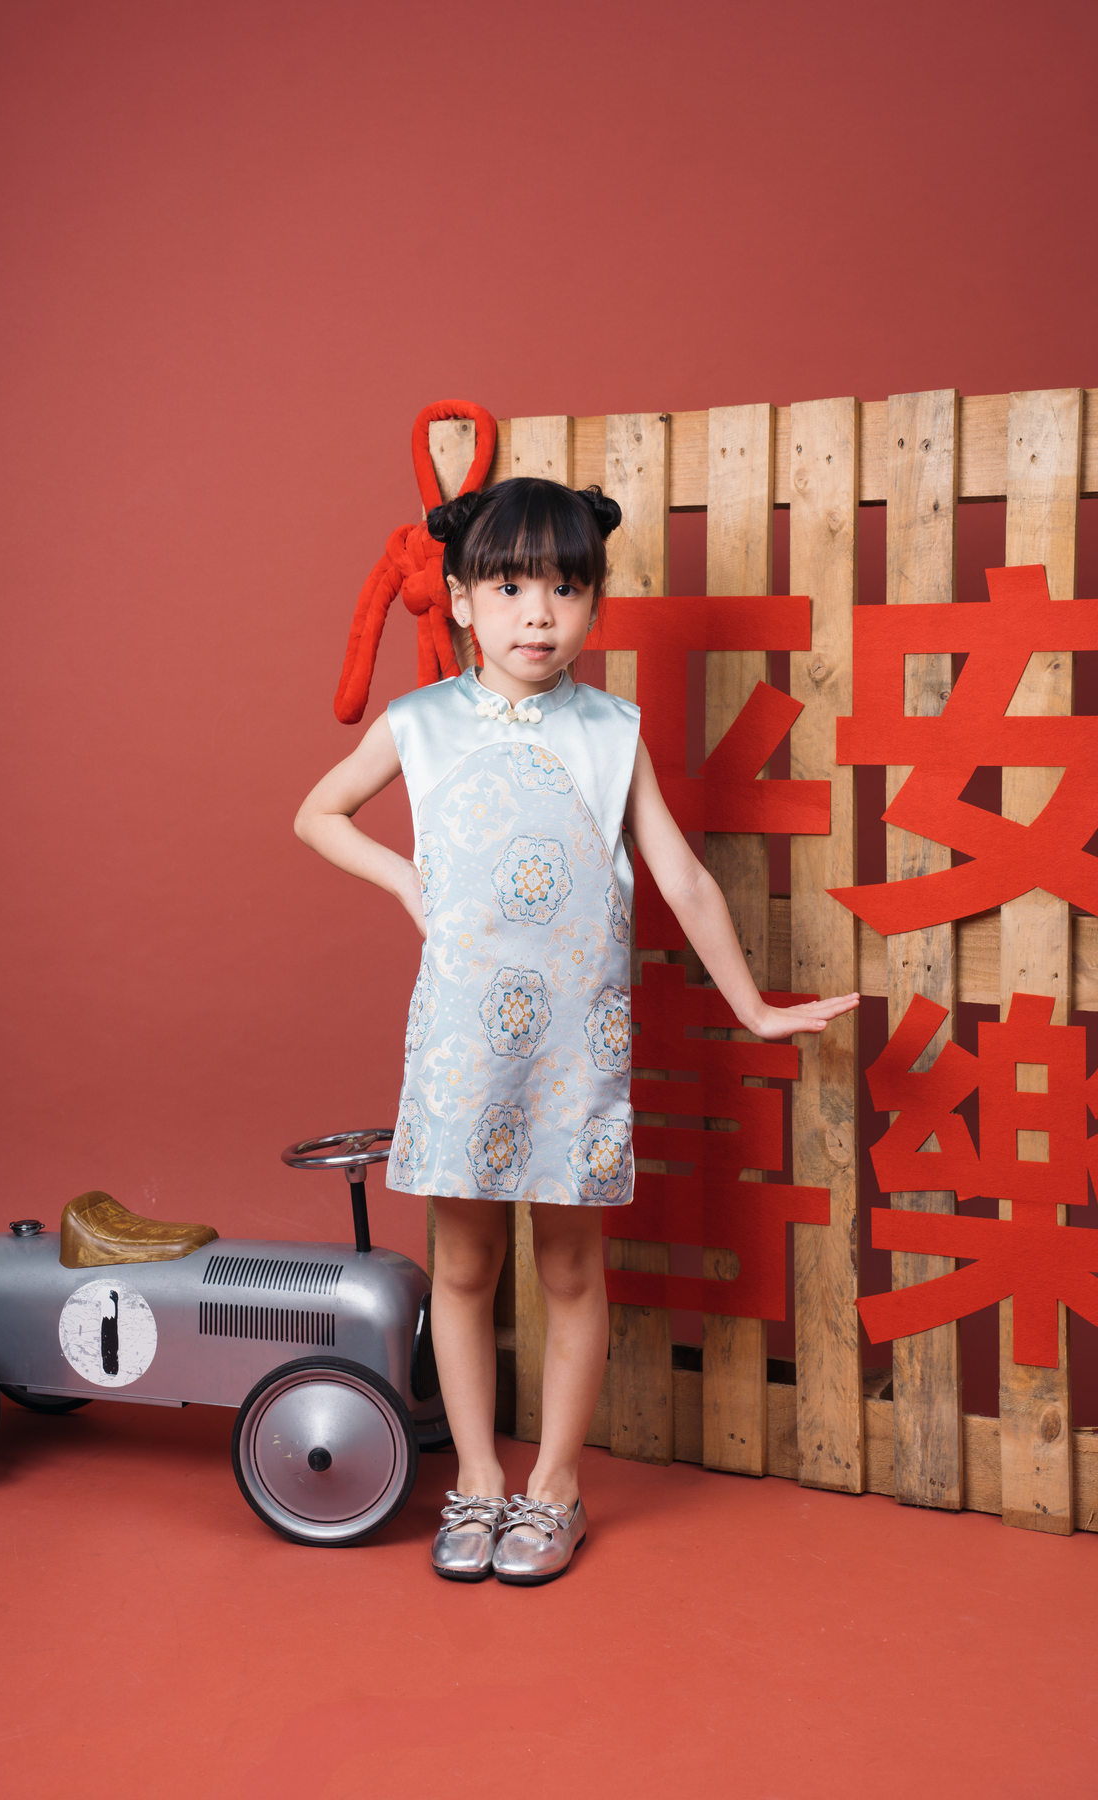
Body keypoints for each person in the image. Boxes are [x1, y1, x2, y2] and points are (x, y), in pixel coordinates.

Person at [296, 478, 858, 1586]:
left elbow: (683, 878)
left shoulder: (611, 732)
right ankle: (476, 1477)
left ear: (595, 604)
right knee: (463, 1266)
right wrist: (406, 878)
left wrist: (752, 1005)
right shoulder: (421, 724)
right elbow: (317, 814)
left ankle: (554, 1486)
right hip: (465, 1042)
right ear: (463, 601)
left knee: (567, 1267)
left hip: (574, 1047)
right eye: (510, 588)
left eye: (565, 588)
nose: (539, 614)